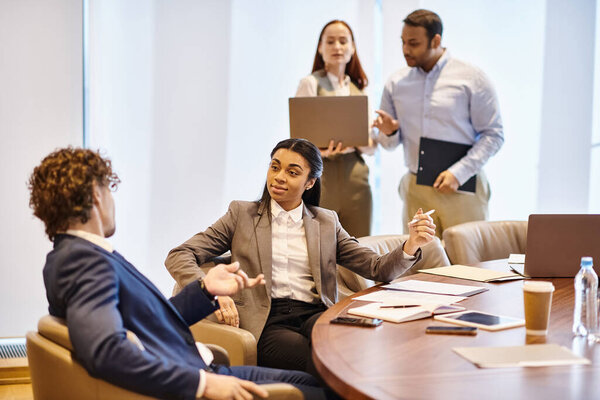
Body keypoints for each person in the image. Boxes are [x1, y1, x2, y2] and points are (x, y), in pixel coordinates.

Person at [28, 147, 333, 400]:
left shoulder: (74, 255)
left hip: (199, 366)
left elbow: (149, 322)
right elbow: (106, 351)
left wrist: (205, 291)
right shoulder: (83, 262)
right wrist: (204, 384)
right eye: (110, 190)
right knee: (332, 391)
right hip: (198, 378)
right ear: (97, 196)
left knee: (321, 383)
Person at [165, 138, 436, 376]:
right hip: (268, 321)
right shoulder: (241, 214)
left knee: (358, 350)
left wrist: (411, 244)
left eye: (292, 172)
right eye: (275, 167)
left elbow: (377, 269)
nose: (279, 177)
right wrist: (208, 291)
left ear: (310, 182)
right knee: (321, 359)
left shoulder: (326, 222)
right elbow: (179, 255)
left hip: (316, 313)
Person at [373, 9, 504, 238]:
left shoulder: (471, 78)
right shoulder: (396, 83)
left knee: (469, 267)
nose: (405, 50)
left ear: (436, 40)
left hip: (463, 189)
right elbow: (388, 144)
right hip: (416, 191)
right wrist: (391, 132)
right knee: (419, 265)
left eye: (413, 43)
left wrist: (458, 173)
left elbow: (494, 135)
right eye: (403, 42)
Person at [295, 20, 375, 238]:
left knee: (360, 244)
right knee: (321, 242)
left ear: (353, 47)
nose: (337, 47)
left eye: (343, 41)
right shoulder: (310, 83)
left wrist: (364, 139)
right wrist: (321, 152)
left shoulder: (360, 88)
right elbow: (298, 141)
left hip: (356, 176)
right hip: (322, 175)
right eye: (330, 42)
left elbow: (372, 147)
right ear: (320, 48)